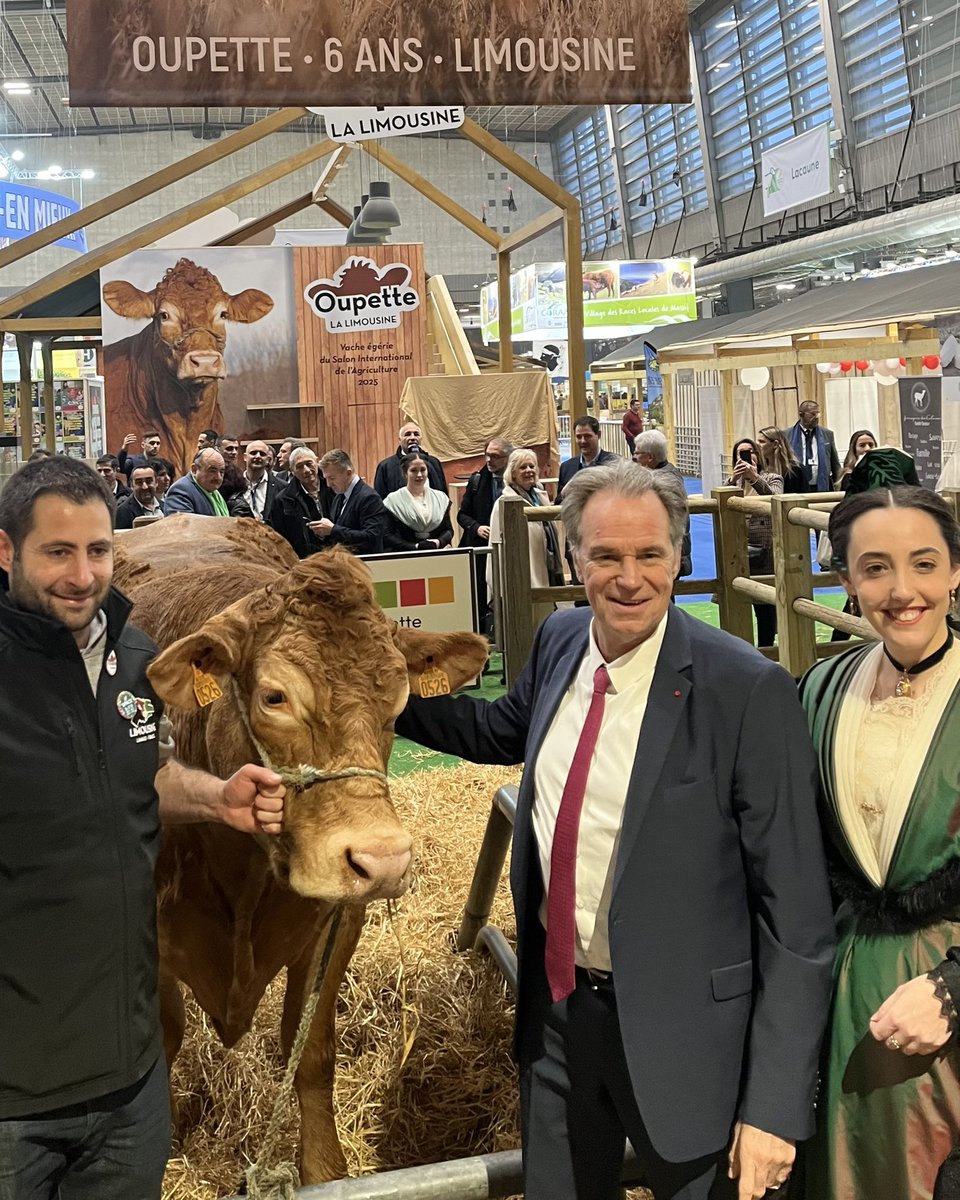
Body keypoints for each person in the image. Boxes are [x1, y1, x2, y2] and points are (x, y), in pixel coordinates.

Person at [397, 459, 835, 1200]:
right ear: (572, 558)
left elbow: (797, 921)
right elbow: (499, 728)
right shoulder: (562, 640)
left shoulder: (746, 690)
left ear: (679, 556)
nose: (629, 578)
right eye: (605, 556)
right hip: (560, 1024)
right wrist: (380, 684)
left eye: (650, 555)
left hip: (695, 1047)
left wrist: (774, 1108)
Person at [0, 456, 284, 1200]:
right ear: (6, 553)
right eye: (56, 552)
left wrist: (218, 796)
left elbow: (144, 774)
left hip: (128, 1082)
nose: (83, 575)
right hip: (12, 1102)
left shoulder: (133, 653)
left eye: (97, 550)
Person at [798, 485, 960, 1200]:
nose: (902, 592)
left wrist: (957, 991)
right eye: (874, 569)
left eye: (924, 565)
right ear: (846, 581)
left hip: (945, 1005)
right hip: (838, 1005)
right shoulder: (819, 692)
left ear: (957, 571)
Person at [489, 449, 565, 628]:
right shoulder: (503, 503)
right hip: (521, 575)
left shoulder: (540, 497)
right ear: (513, 473)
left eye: (532, 466)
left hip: (544, 570)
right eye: (523, 467)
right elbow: (496, 546)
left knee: (544, 625)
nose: (529, 470)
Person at [727, 437, 783, 649]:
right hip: (736, 553)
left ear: (758, 455)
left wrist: (754, 478)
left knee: (765, 610)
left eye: (750, 451)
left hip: (764, 553)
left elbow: (776, 498)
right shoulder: (733, 482)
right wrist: (734, 479)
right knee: (737, 607)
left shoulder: (773, 477)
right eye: (741, 453)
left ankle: (766, 652)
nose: (747, 456)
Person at [557, 416, 620, 590]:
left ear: (598, 435)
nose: (582, 441)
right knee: (580, 595)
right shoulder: (567, 467)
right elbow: (558, 503)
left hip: (608, 539)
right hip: (577, 540)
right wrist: (567, 491)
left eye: (587, 436)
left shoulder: (615, 464)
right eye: (578, 437)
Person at [458, 438, 513, 632]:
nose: (489, 460)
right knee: (481, 597)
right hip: (482, 550)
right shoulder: (477, 481)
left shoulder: (517, 481)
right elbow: (462, 515)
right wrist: (476, 527)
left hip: (511, 551)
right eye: (487, 455)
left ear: (508, 458)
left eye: (495, 456)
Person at [633, 429, 692, 580]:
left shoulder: (666, 479)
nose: (634, 458)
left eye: (638, 454)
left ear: (650, 457)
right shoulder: (664, 473)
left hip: (668, 549)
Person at [315, 448, 386, 555]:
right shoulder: (339, 497)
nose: (328, 484)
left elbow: (371, 538)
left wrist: (333, 530)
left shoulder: (369, 498)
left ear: (348, 473)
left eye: (332, 478)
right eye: (326, 479)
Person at [383, 452, 454, 551]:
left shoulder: (440, 498)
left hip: (437, 554)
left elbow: (448, 530)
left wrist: (438, 542)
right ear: (405, 473)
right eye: (413, 470)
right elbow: (387, 535)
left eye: (423, 470)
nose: (419, 474)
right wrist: (415, 547)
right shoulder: (392, 501)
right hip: (405, 557)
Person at [268, 447, 331, 558]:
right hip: (303, 560)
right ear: (292, 471)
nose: (306, 470)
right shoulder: (283, 499)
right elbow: (279, 538)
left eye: (309, 463)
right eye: (299, 467)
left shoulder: (334, 488)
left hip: (338, 555)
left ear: (317, 462)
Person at [373, 421, 448, 499]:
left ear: (421, 438)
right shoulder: (385, 467)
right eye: (407, 434)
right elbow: (379, 501)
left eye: (416, 434)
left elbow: (443, 495)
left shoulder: (434, 463)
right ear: (400, 440)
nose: (412, 438)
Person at [783, 401, 841, 492]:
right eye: (813, 414)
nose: (817, 417)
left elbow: (835, 464)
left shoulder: (827, 434)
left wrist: (838, 487)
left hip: (821, 486)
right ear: (801, 414)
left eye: (818, 413)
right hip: (796, 487)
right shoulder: (786, 435)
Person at [163, 448, 228, 516]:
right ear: (194, 469)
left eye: (221, 472)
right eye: (212, 471)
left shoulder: (214, 493)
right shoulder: (180, 490)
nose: (218, 477)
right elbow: (183, 524)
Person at [242, 439, 281, 523]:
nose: (258, 456)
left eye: (262, 454)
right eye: (253, 453)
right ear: (245, 457)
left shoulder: (281, 487)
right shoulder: (233, 485)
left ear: (267, 459)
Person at [114, 463, 164, 529]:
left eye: (149, 481)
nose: (145, 487)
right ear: (131, 485)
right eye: (139, 482)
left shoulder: (165, 506)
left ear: (156, 483)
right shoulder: (122, 512)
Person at [757, 426, 805, 493]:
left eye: (762, 442)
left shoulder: (795, 470)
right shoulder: (759, 467)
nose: (757, 445)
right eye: (757, 441)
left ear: (775, 444)